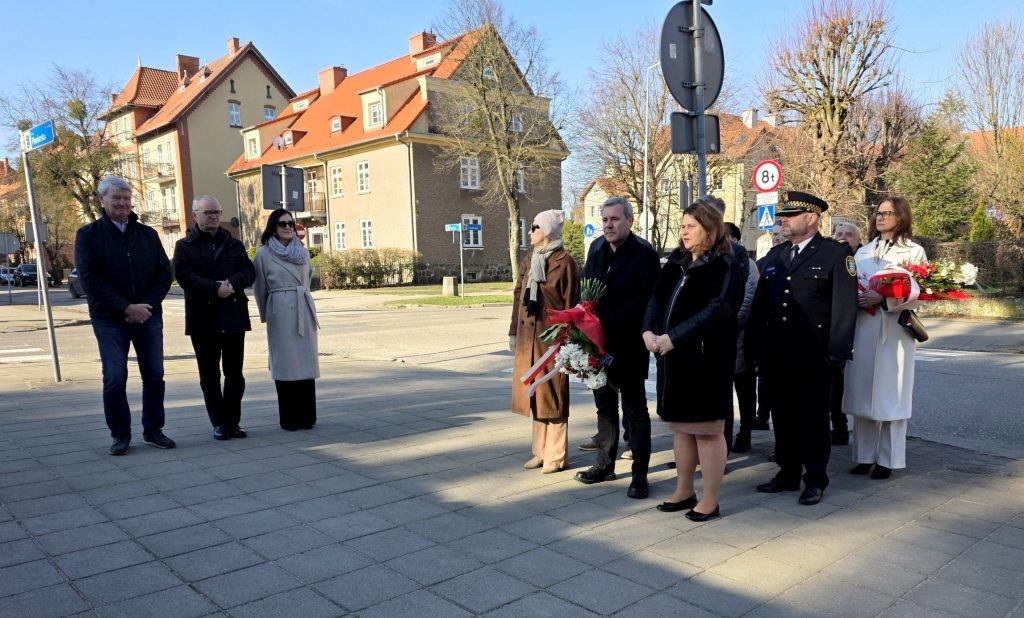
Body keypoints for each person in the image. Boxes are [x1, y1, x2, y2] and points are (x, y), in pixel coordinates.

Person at [745, 191, 857, 505]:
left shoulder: (835, 254)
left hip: (815, 354)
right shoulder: (776, 255)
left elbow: (845, 309)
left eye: (791, 215)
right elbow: (760, 306)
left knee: (814, 418)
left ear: (811, 218)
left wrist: (837, 352)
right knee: (783, 416)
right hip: (777, 353)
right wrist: (753, 347)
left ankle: (815, 478)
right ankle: (788, 472)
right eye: (783, 215)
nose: (783, 220)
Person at [642, 201, 744, 521]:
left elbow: (718, 310)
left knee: (707, 430)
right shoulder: (677, 260)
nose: (683, 231)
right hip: (673, 359)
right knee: (682, 428)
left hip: (705, 360)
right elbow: (656, 299)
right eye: (682, 226)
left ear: (710, 228)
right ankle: (684, 490)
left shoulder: (726, 263)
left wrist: (676, 336)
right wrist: (648, 329)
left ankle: (710, 500)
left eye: (691, 226)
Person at [75, 175, 174, 456]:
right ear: (102, 200)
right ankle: (120, 434)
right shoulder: (88, 235)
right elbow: (90, 279)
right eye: (116, 198)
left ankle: (154, 430)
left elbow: (164, 274)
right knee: (115, 377)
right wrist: (125, 308)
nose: (122, 203)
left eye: (126, 198)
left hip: (148, 315)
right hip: (109, 317)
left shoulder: (147, 234)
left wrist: (145, 306)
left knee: (154, 375)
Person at [574, 197, 660, 498]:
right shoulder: (596, 248)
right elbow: (585, 288)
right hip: (597, 345)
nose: (608, 225)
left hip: (629, 345)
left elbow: (646, 300)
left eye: (615, 219)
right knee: (604, 405)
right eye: (605, 219)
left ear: (629, 221)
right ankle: (604, 464)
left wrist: (604, 321)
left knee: (635, 409)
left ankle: (640, 476)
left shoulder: (644, 254)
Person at [843, 197, 926, 479]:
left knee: (892, 396)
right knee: (862, 394)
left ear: (901, 216)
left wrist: (884, 297)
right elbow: (849, 284)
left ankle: (888, 460)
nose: (881, 217)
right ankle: (864, 456)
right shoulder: (863, 252)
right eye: (878, 213)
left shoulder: (914, 252)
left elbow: (920, 294)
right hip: (864, 328)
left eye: (887, 213)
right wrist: (858, 297)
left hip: (895, 332)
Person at [172, 196, 256, 441]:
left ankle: (232, 421)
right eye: (208, 212)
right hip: (202, 319)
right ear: (195, 213)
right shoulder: (184, 245)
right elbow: (184, 276)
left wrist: (231, 284)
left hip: (232, 316)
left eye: (217, 212)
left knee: (235, 374)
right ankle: (219, 421)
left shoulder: (233, 244)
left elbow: (248, 271)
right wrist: (213, 288)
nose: (213, 216)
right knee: (209, 376)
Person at [510, 209, 580, 474]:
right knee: (534, 394)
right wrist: (513, 332)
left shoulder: (565, 261)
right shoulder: (530, 259)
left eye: (535, 227)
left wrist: (568, 339)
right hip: (529, 337)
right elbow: (519, 296)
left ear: (548, 231)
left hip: (552, 338)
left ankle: (556, 456)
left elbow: (571, 303)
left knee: (553, 395)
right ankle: (539, 452)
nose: (531, 232)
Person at [253, 208, 320, 431]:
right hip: (279, 311)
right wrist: (267, 314)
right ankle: (289, 418)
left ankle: (307, 416)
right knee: (285, 364)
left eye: (291, 223)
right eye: (283, 224)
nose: (288, 227)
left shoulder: (301, 251)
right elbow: (260, 287)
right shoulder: (263, 254)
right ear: (273, 227)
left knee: (305, 363)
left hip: (303, 306)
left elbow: (308, 278)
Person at [726, 222, 760, 453]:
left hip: (742, 338)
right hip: (722, 339)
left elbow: (747, 301)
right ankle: (723, 440)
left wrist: (723, 322)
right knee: (723, 396)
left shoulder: (748, 266)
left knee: (745, 390)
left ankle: (746, 431)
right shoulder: (718, 263)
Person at [828, 222, 863, 445]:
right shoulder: (832, 256)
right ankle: (839, 429)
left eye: (847, 234)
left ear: (858, 241)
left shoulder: (861, 259)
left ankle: (847, 429)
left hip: (861, 329)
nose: (842, 237)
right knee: (834, 386)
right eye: (838, 233)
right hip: (837, 329)